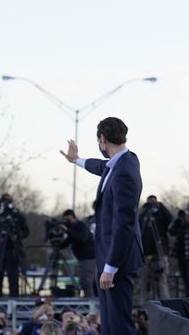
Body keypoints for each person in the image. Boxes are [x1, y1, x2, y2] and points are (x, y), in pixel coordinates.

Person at [60, 117, 144, 334]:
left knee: (118, 325)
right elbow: (100, 166)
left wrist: (110, 267)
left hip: (117, 262)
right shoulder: (121, 163)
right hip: (110, 259)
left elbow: (124, 223)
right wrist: (76, 160)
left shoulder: (123, 171)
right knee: (108, 325)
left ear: (103, 139)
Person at [0, 193, 29, 297]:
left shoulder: (17, 216)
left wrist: (16, 234)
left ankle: (14, 300)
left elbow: (26, 232)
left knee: (13, 277)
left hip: (12, 250)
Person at [138, 194, 173, 300]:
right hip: (146, 253)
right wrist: (144, 209)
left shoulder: (161, 215)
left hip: (160, 252)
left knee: (162, 280)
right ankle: (144, 306)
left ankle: (166, 303)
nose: (152, 205)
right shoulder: (144, 216)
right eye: (150, 203)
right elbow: (138, 227)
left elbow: (170, 220)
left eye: (154, 203)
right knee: (145, 281)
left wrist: (160, 206)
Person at [59, 210, 96, 298]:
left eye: (68, 220)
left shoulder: (81, 226)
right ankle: (89, 301)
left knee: (86, 282)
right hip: (83, 259)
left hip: (89, 258)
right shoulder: (73, 230)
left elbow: (81, 238)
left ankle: (90, 304)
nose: (67, 222)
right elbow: (67, 241)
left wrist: (67, 230)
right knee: (84, 282)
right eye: (65, 220)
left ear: (74, 217)